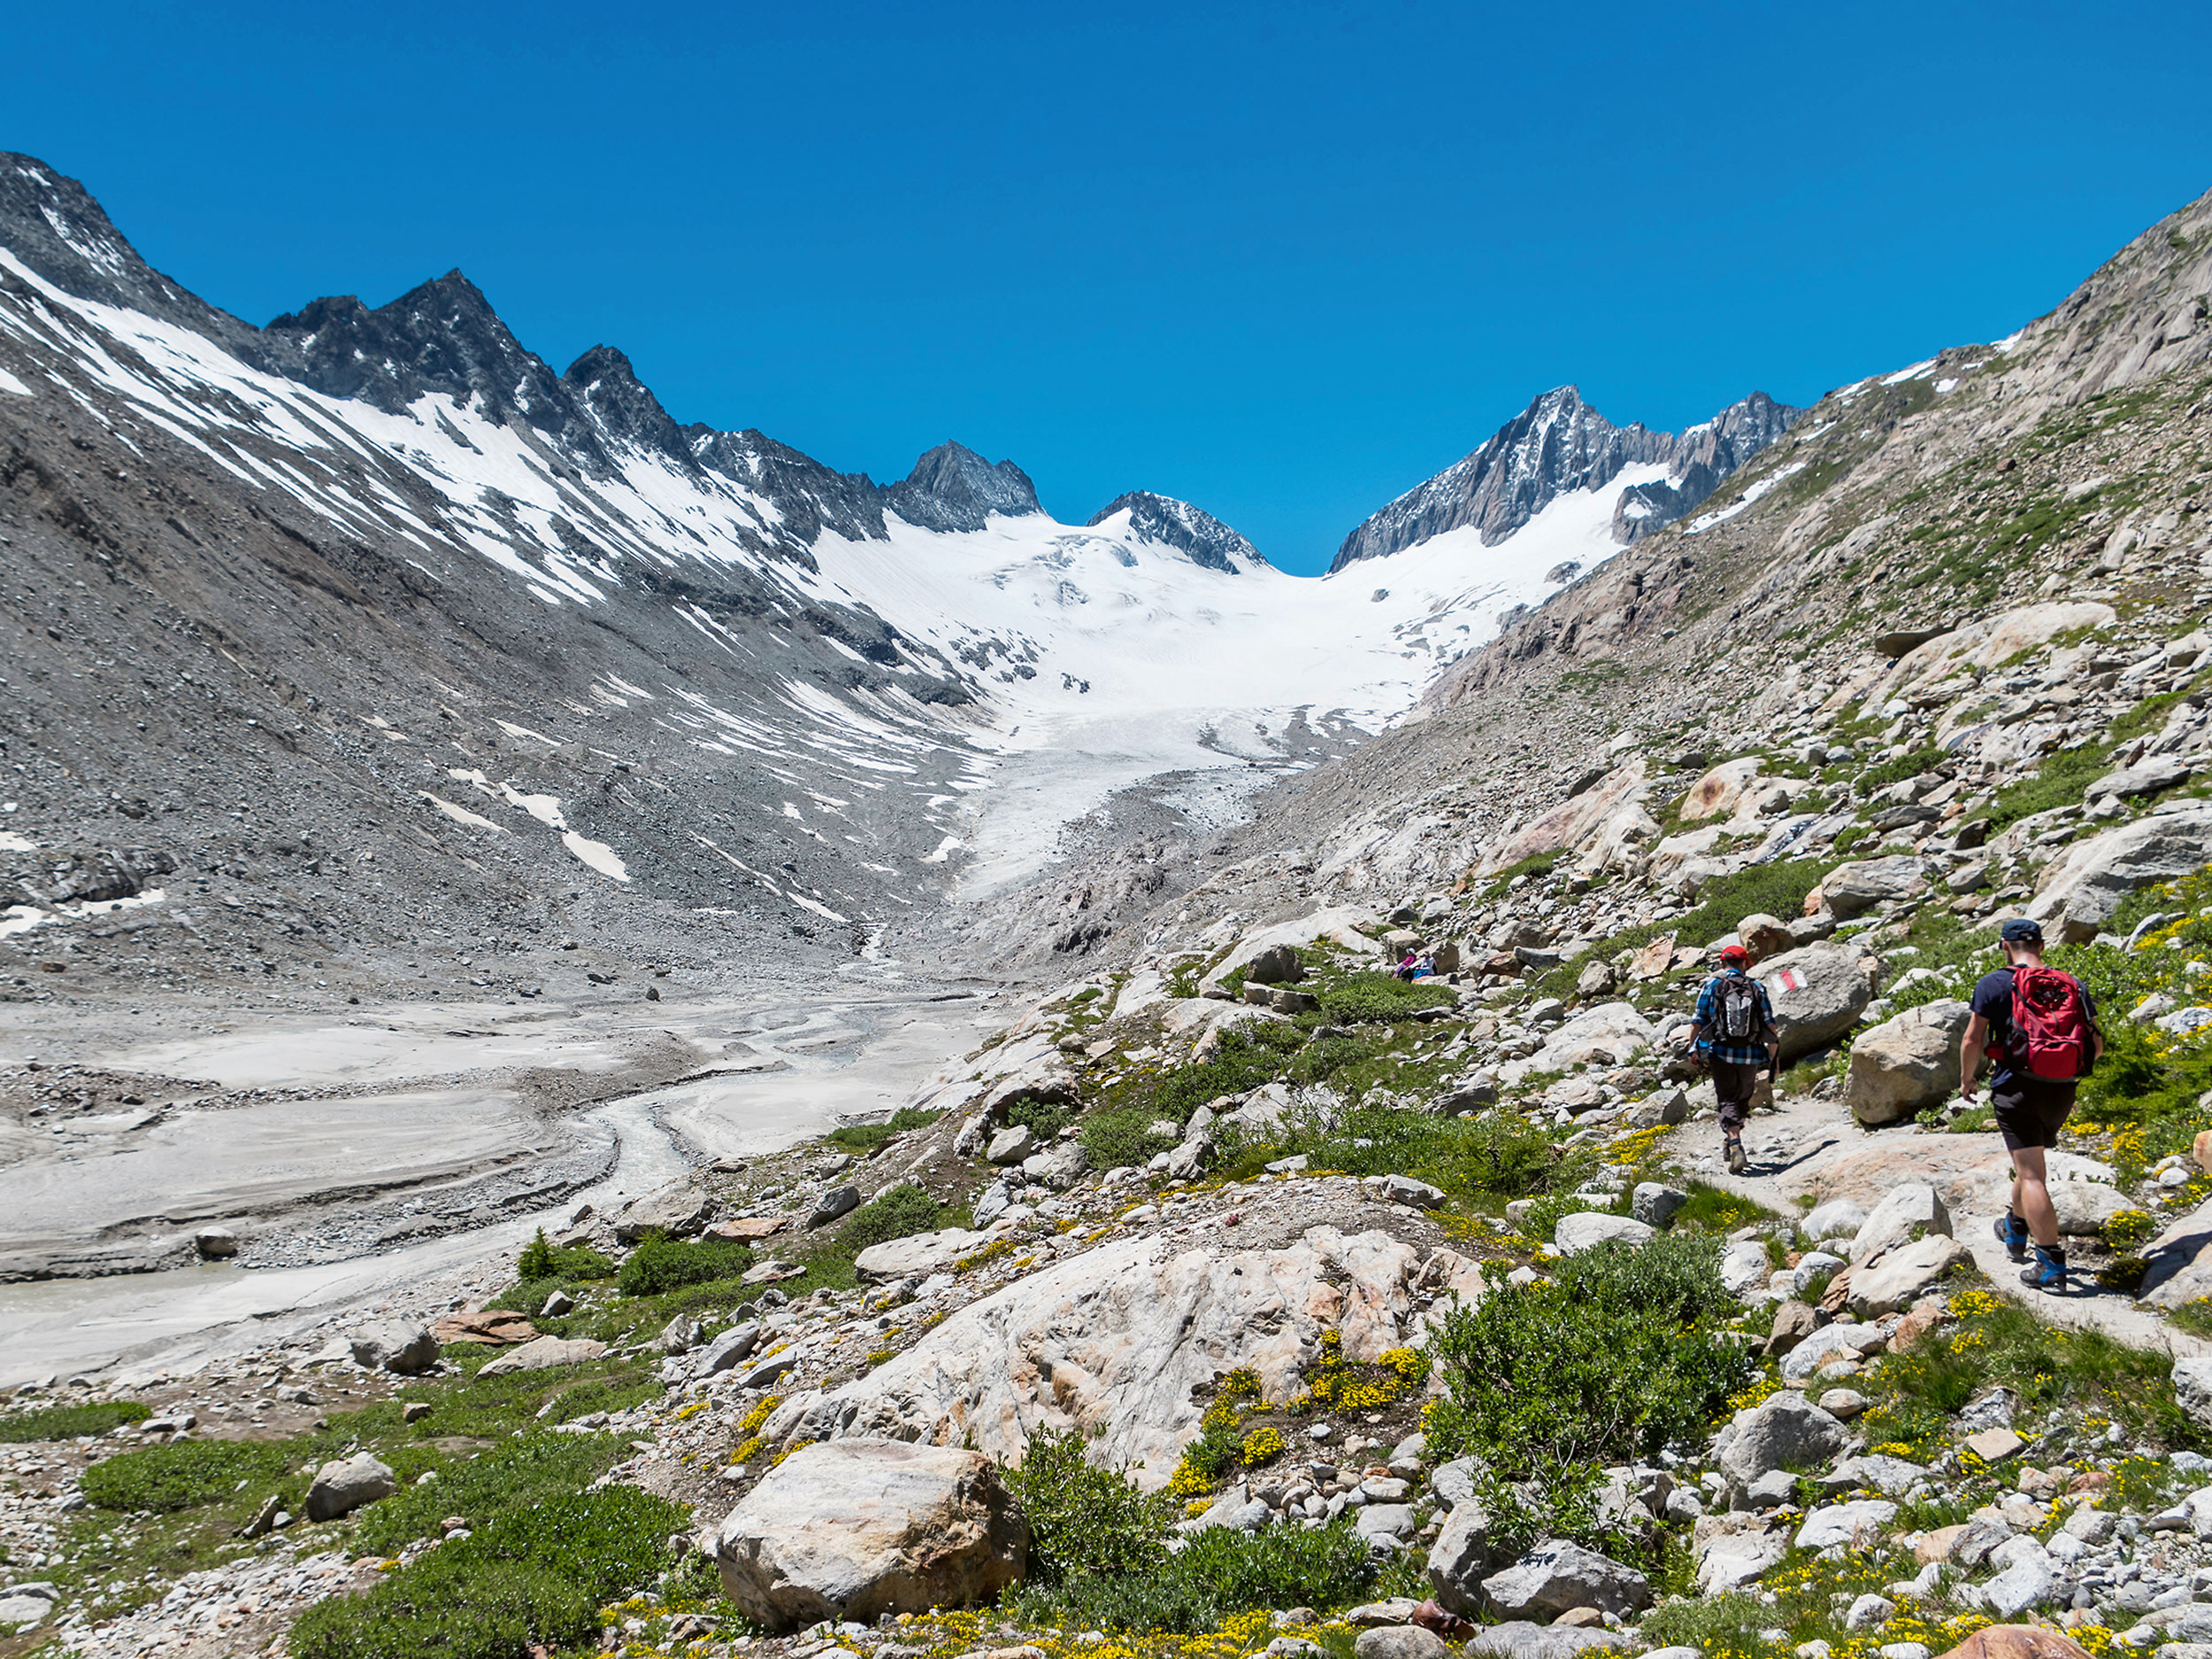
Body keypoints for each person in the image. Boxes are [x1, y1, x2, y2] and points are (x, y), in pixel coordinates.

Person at [1961, 918, 2104, 1294]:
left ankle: (2050, 1265)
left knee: (2031, 1176)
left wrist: (1967, 1078)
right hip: (2062, 1089)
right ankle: (2015, 1227)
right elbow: (2096, 1043)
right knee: (2029, 1164)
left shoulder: (1993, 983)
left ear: (2004, 947)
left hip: (2017, 1087)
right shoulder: (2072, 983)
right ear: (2041, 946)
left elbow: (1972, 1039)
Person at [1690, 944, 1779, 1174]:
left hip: (1720, 1051)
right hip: (1751, 1053)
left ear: (1722, 964)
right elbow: (1769, 1024)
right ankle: (1732, 1139)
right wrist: (1773, 1058)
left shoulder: (1712, 985)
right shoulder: (1757, 987)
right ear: (1744, 964)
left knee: (1726, 1097)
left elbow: (1698, 1020)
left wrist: (1693, 1049)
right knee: (1742, 1098)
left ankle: (1735, 1144)